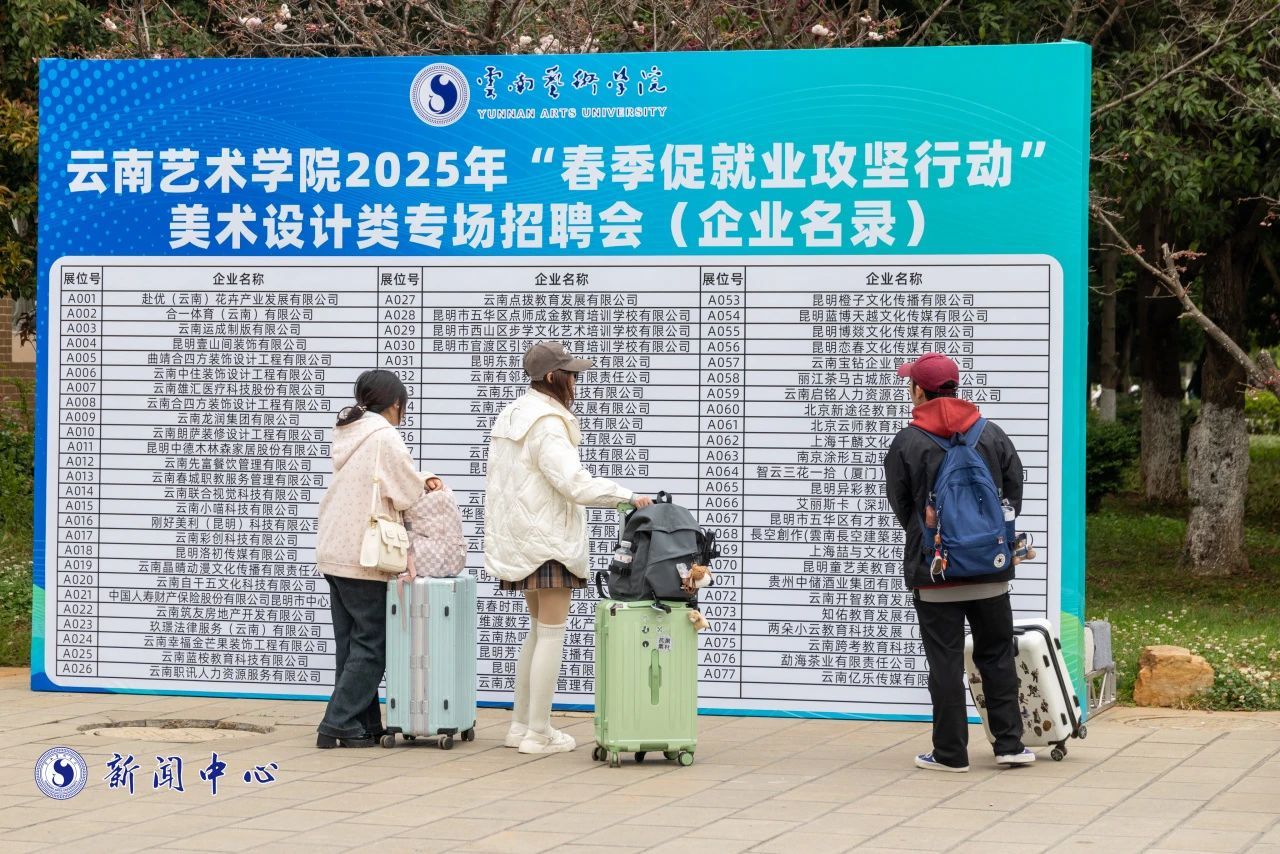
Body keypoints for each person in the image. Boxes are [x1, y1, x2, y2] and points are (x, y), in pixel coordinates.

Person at [484, 341, 653, 755]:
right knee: (551, 634)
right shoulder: (547, 422)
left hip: (522, 540)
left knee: (537, 632)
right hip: (549, 543)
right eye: (571, 374)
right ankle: (539, 733)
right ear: (552, 377)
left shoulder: (512, 415)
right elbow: (573, 482)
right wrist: (627, 496)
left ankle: (520, 726)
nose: (576, 381)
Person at [884, 352, 1034, 772]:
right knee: (997, 656)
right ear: (955, 387)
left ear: (919, 390)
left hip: (936, 573)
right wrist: (985, 539)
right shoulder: (991, 434)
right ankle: (1009, 745)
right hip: (990, 569)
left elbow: (902, 507)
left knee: (945, 665)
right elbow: (1013, 492)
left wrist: (933, 541)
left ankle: (951, 754)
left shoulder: (908, 442)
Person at [315, 369, 435, 748]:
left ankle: (363, 727)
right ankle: (336, 722)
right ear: (396, 403)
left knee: (351, 645)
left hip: (334, 548)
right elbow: (405, 492)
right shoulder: (385, 436)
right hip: (363, 555)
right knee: (373, 644)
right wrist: (427, 481)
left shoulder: (348, 431)